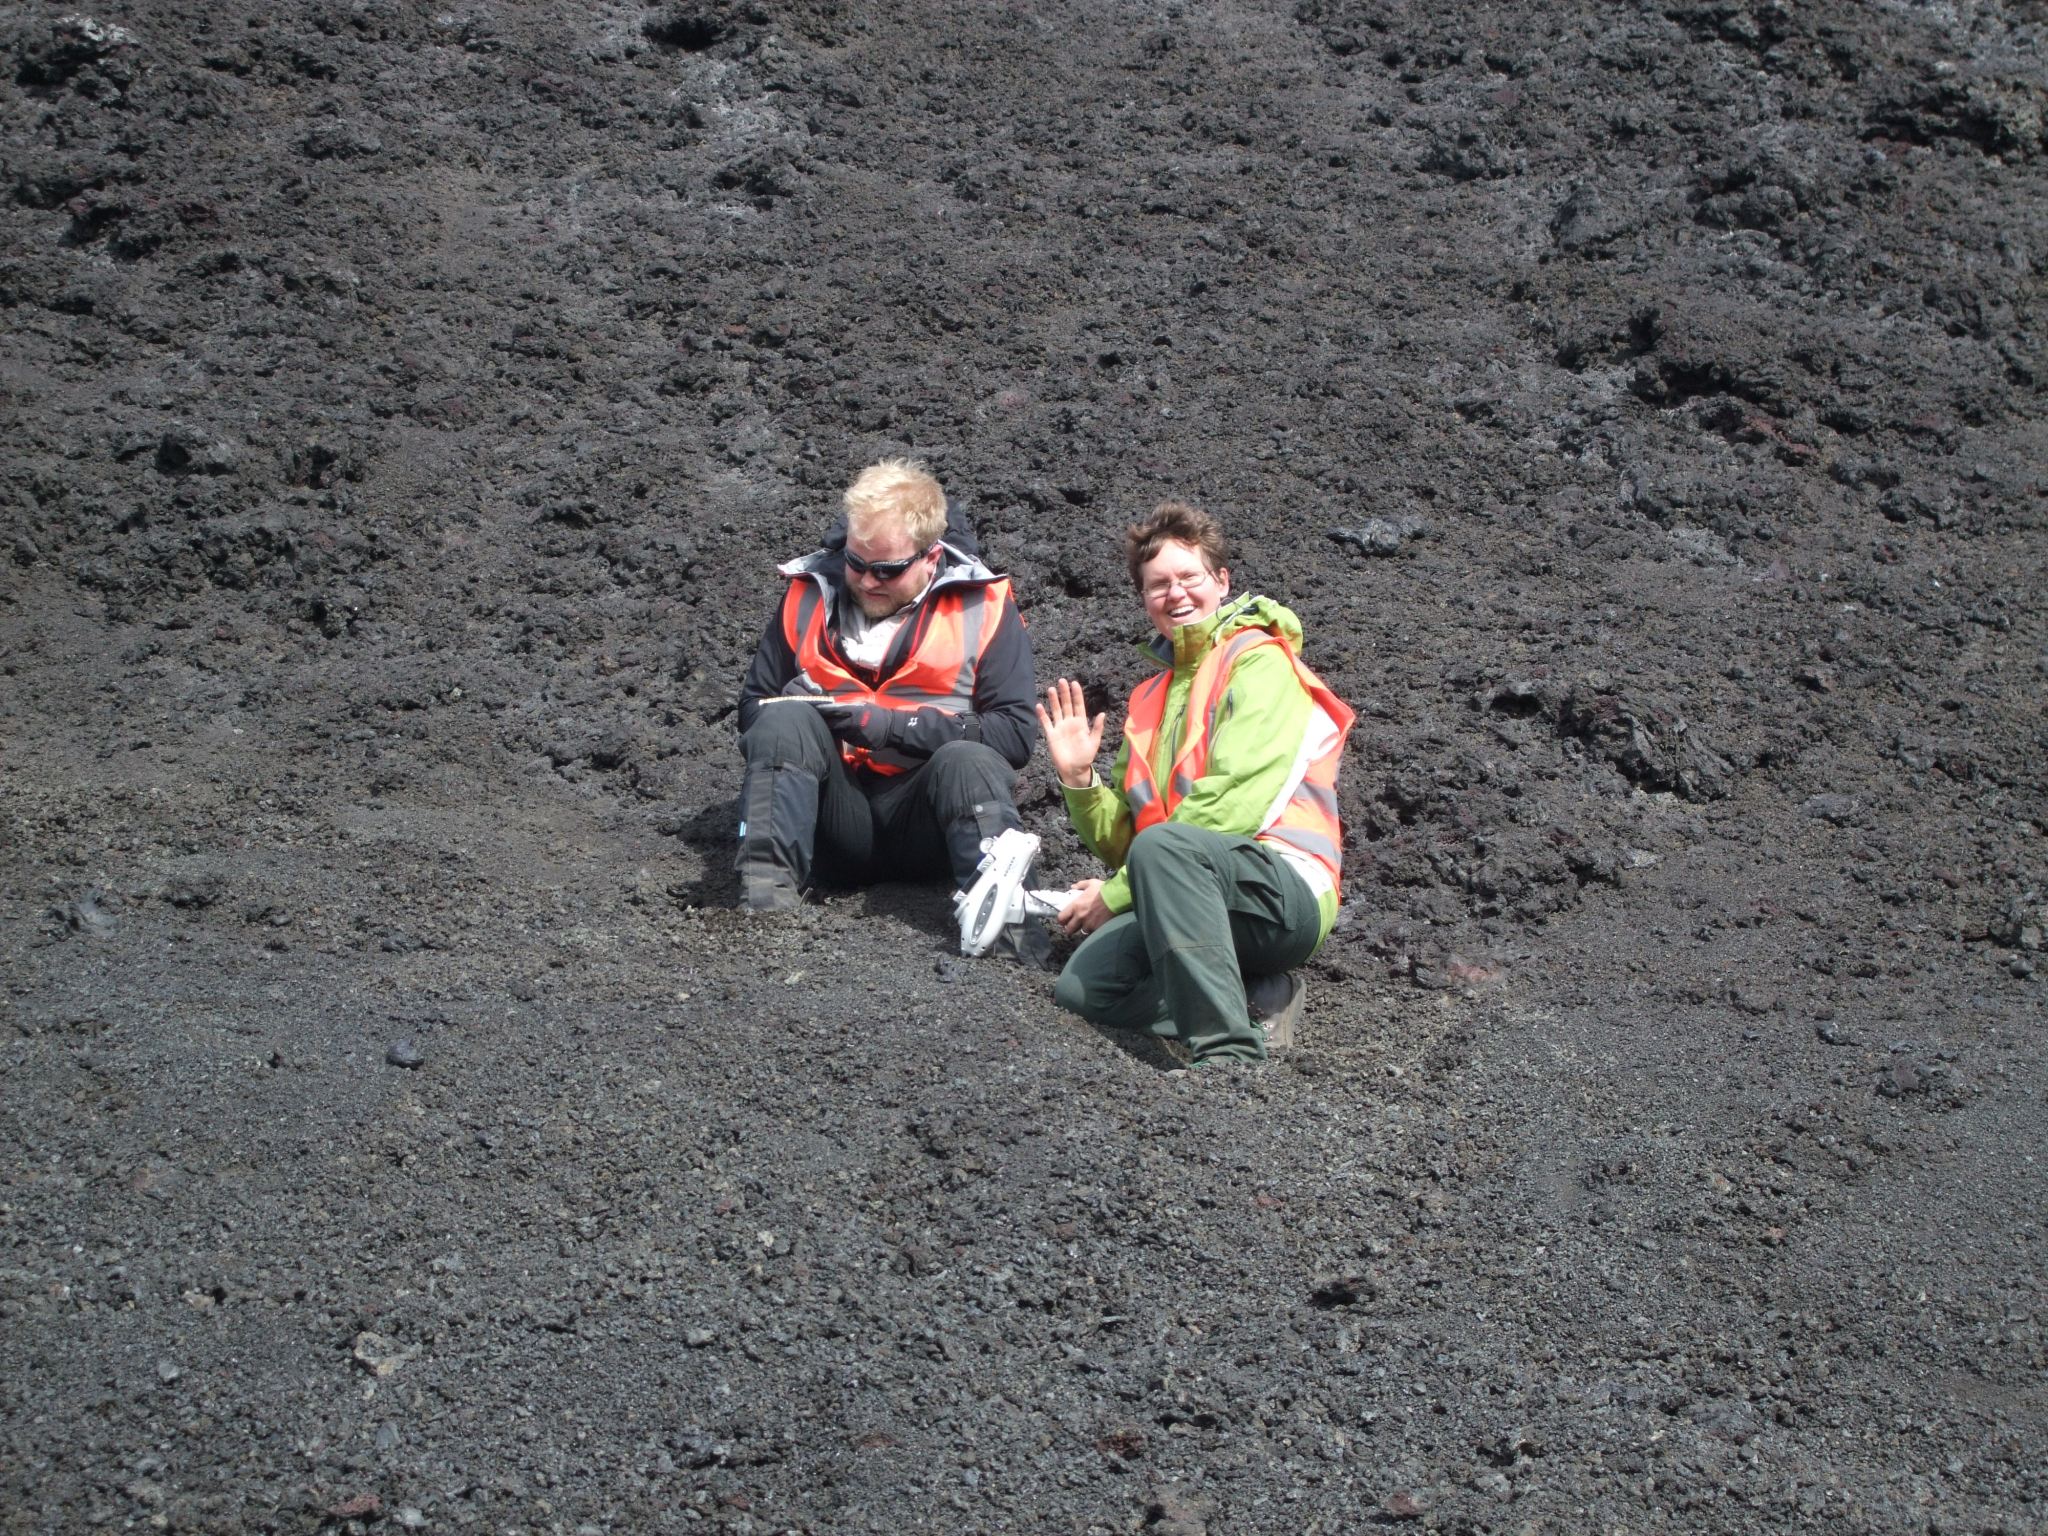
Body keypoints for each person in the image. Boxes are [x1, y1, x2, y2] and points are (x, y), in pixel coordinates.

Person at [1037, 501, 1355, 1065]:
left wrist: (1114, 895)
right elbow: (1133, 843)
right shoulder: (1149, 698)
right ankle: (1257, 1001)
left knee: (1168, 848)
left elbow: (1233, 803)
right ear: (1144, 599)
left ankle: (1228, 1056)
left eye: (1190, 577)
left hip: (1283, 891)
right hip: (1187, 885)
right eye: (1159, 584)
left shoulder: (1259, 662)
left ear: (1221, 581)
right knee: (1085, 987)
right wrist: (1079, 779)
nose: (1176, 593)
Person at [734, 459, 1041, 951]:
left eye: (887, 570)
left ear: (930, 556)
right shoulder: (804, 595)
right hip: (830, 822)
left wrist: (889, 726)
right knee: (781, 716)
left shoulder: (985, 606)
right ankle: (763, 919)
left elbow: (1013, 734)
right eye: (856, 562)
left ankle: (1009, 940)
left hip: (931, 826)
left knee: (970, 759)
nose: (867, 581)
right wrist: (801, 711)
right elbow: (751, 710)